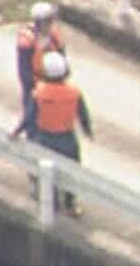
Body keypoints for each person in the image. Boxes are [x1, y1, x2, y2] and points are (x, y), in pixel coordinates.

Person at [10, 51, 93, 216]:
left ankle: (51, 203)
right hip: (67, 138)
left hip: (45, 138)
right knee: (71, 170)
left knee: (45, 171)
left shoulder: (39, 93)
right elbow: (83, 115)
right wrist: (88, 131)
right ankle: (70, 203)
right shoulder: (74, 93)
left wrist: (16, 132)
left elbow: (29, 117)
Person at [15, 0, 66, 118]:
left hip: (54, 85)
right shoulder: (27, 40)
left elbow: (63, 61)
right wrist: (37, 89)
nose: (51, 24)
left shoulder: (54, 36)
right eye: (48, 21)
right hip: (35, 88)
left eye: (52, 20)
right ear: (39, 22)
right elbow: (24, 73)